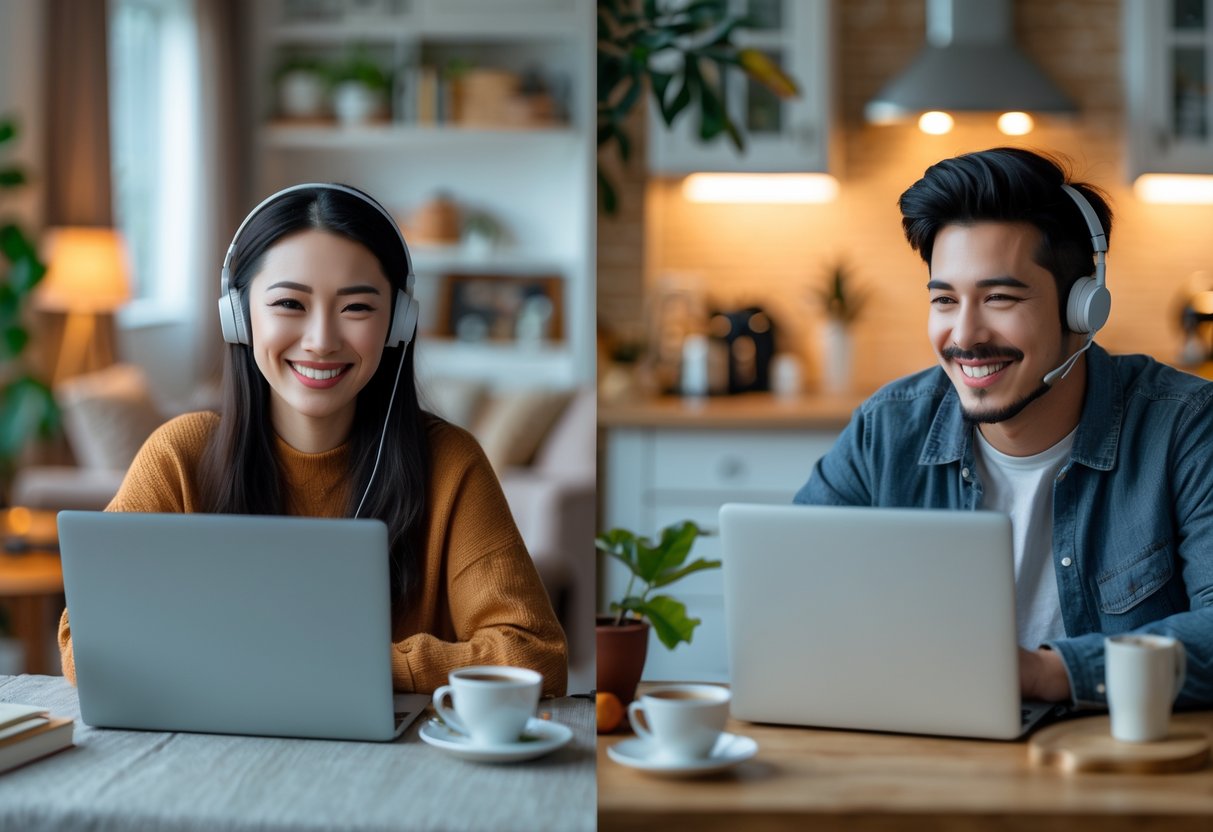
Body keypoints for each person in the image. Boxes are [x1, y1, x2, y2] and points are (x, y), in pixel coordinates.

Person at [57, 183, 568, 696]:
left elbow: (535, 656)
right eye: (289, 303)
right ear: (238, 317)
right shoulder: (181, 454)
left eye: (357, 308)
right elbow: (88, 642)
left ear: (399, 321)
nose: (322, 340)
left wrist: (341, 663)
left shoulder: (450, 464)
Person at [795, 147, 1213, 709]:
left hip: (1111, 763)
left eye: (999, 298)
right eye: (945, 300)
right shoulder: (886, 429)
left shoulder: (1185, 426)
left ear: (1083, 310)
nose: (965, 335)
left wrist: (1046, 674)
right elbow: (791, 602)